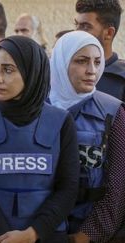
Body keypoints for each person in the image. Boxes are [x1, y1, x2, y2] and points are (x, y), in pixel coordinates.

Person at [0, 36, 80, 243]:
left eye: (8, 69)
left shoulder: (61, 121)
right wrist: (4, 236)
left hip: (44, 235)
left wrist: (32, 233)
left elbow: (68, 187)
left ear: (31, 71)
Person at [50, 30, 125, 243]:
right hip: (42, 229)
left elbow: (118, 188)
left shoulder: (113, 112)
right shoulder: (38, 108)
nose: (92, 70)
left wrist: (87, 236)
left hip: (88, 229)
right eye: (82, 61)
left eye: (97, 61)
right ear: (61, 63)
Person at [75, 0, 125, 101]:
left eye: (85, 26)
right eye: (76, 25)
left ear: (109, 33)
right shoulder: (67, 69)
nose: (76, 32)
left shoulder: (121, 79)